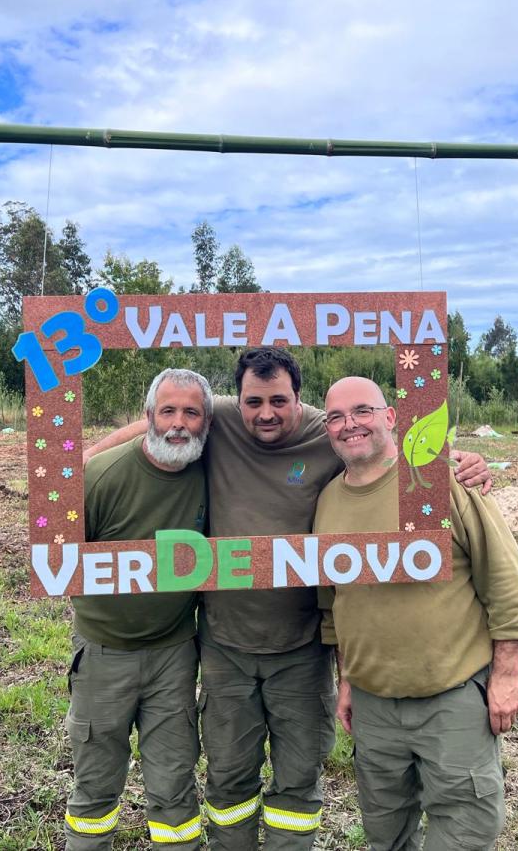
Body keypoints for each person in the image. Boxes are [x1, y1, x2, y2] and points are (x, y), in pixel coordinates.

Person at [84, 348, 493, 850]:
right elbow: (161, 422)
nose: (266, 413)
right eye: (254, 402)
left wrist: (452, 459)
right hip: (226, 647)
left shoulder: (328, 432)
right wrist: (82, 460)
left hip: (302, 648)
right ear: (237, 402)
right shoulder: (221, 419)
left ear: (299, 399)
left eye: (279, 401)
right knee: (229, 779)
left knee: (297, 784)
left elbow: (377, 435)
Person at [314, 376, 518, 851]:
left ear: (390, 417)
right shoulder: (328, 501)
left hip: (451, 698)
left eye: (362, 411)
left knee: (464, 830)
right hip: (374, 706)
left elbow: (505, 581)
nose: (349, 424)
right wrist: (347, 680)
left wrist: (507, 674)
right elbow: (337, 604)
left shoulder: (438, 482)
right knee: (385, 831)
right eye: (335, 417)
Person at [64, 368, 212, 851]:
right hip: (104, 653)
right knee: (95, 785)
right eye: (167, 411)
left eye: (191, 412)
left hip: (174, 653)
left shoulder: (211, 472)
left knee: (175, 784)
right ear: (148, 415)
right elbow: (57, 561)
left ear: (208, 421)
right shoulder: (99, 477)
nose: (179, 423)